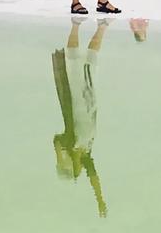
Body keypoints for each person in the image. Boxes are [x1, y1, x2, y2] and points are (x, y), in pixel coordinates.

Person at [51, 18, 110, 218]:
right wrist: (100, 200)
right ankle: (102, 26)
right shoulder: (85, 156)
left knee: (73, 61)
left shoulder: (69, 142)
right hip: (89, 101)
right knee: (90, 62)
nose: (68, 164)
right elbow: (94, 178)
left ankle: (75, 24)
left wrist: (62, 157)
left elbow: (56, 141)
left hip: (77, 96)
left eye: (65, 166)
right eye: (69, 168)